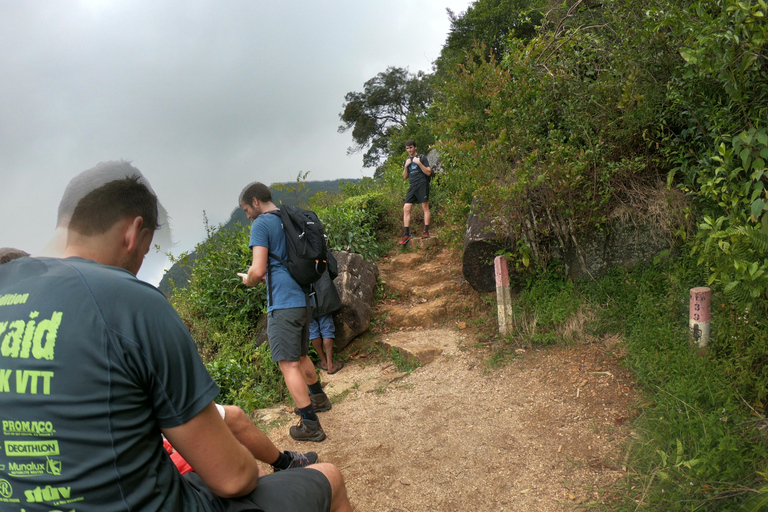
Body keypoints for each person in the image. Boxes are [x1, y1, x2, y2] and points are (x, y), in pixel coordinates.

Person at [0, 162, 352, 511]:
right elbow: (234, 478)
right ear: (134, 231)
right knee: (329, 476)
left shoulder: (9, 285)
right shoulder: (131, 301)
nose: (140, 260)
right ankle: (310, 420)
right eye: (146, 247)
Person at [239, 182, 332, 443]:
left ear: (256, 202)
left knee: (287, 363)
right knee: (301, 355)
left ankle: (311, 424)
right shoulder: (287, 217)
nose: (247, 215)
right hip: (303, 297)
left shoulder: (261, 224)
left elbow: (257, 271)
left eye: (247, 209)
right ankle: (319, 398)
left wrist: (248, 279)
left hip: (282, 303)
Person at [399, 139, 432, 245]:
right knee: (406, 208)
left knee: (425, 207)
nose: (409, 150)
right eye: (407, 148)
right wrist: (406, 166)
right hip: (412, 186)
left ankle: (426, 231)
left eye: (411, 147)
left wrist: (419, 163)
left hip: (422, 184)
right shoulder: (407, 160)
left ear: (415, 147)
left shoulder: (422, 158)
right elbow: (405, 177)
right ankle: (406, 234)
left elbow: (428, 172)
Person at [310, 270, 343, 374]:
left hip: (305, 296)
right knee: (326, 327)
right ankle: (330, 364)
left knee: (312, 330)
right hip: (323, 291)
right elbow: (333, 268)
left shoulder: (292, 254)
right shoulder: (319, 252)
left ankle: (323, 362)